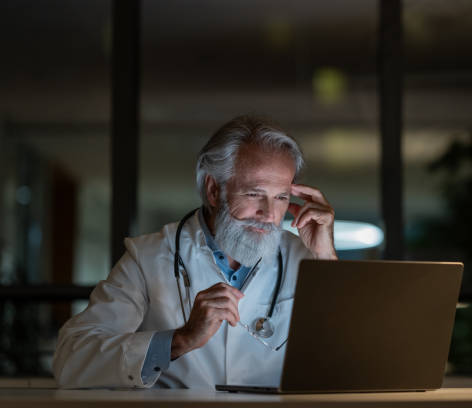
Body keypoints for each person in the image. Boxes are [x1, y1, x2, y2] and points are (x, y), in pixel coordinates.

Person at [52, 115, 337, 389]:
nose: (269, 214)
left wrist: (325, 257)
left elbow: (351, 356)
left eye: (281, 197)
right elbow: (71, 360)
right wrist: (179, 340)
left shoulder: (306, 257)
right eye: (254, 194)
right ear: (214, 191)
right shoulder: (148, 256)